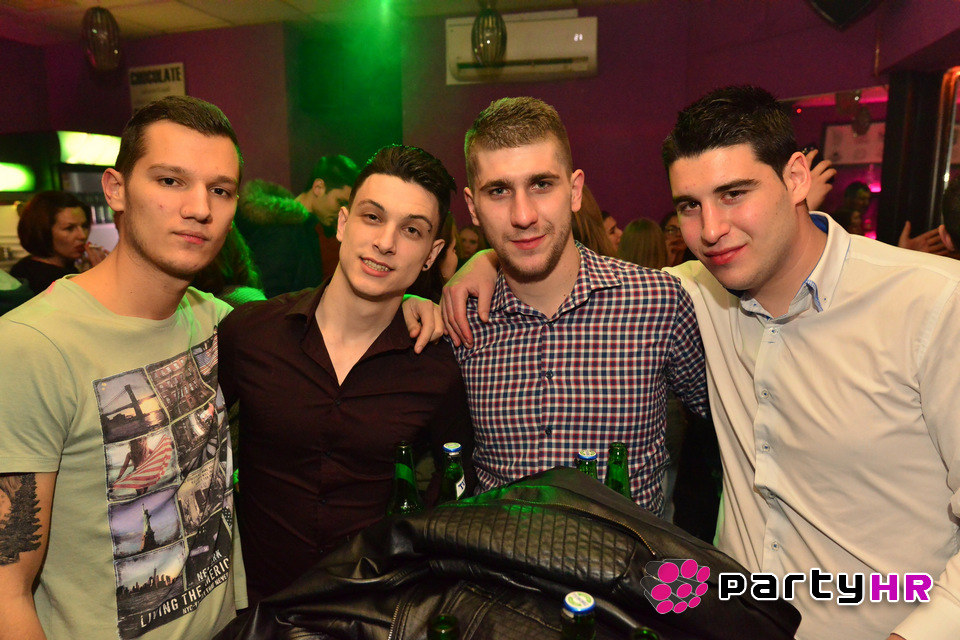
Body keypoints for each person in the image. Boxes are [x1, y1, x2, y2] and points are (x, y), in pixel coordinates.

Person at [661, 85, 960, 639]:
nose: (711, 229)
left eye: (734, 193)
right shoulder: (696, 292)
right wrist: (490, 264)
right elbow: (586, 283)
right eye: (689, 206)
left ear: (796, 177)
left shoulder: (935, 303)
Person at [0, 96, 246, 639]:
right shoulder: (31, 346)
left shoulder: (216, 321)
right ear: (115, 190)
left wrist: (415, 301)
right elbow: (4, 590)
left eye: (220, 190)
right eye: (170, 181)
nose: (199, 208)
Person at [218, 144, 476, 607]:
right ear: (342, 223)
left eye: (412, 230)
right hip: (256, 609)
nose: (385, 242)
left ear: (431, 253)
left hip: (372, 609)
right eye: (372, 217)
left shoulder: (436, 368)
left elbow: (457, 477)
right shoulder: (251, 334)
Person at [447, 96, 708, 512]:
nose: (523, 215)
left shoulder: (657, 303)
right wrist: (407, 301)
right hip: (497, 554)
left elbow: (737, 425)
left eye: (541, 184)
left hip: (628, 554)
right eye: (498, 191)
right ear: (472, 207)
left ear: (574, 190)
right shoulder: (461, 320)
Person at [234, 155, 359, 297]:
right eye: (340, 202)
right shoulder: (283, 230)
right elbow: (268, 297)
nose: (342, 211)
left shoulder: (305, 229)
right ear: (318, 187)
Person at [10, 190, 108, 295]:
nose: (82, 236)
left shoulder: (25, 266)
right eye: (69, 228)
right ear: (44, 231)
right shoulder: (47, 281)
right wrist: (99, 277)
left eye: (84, 226)